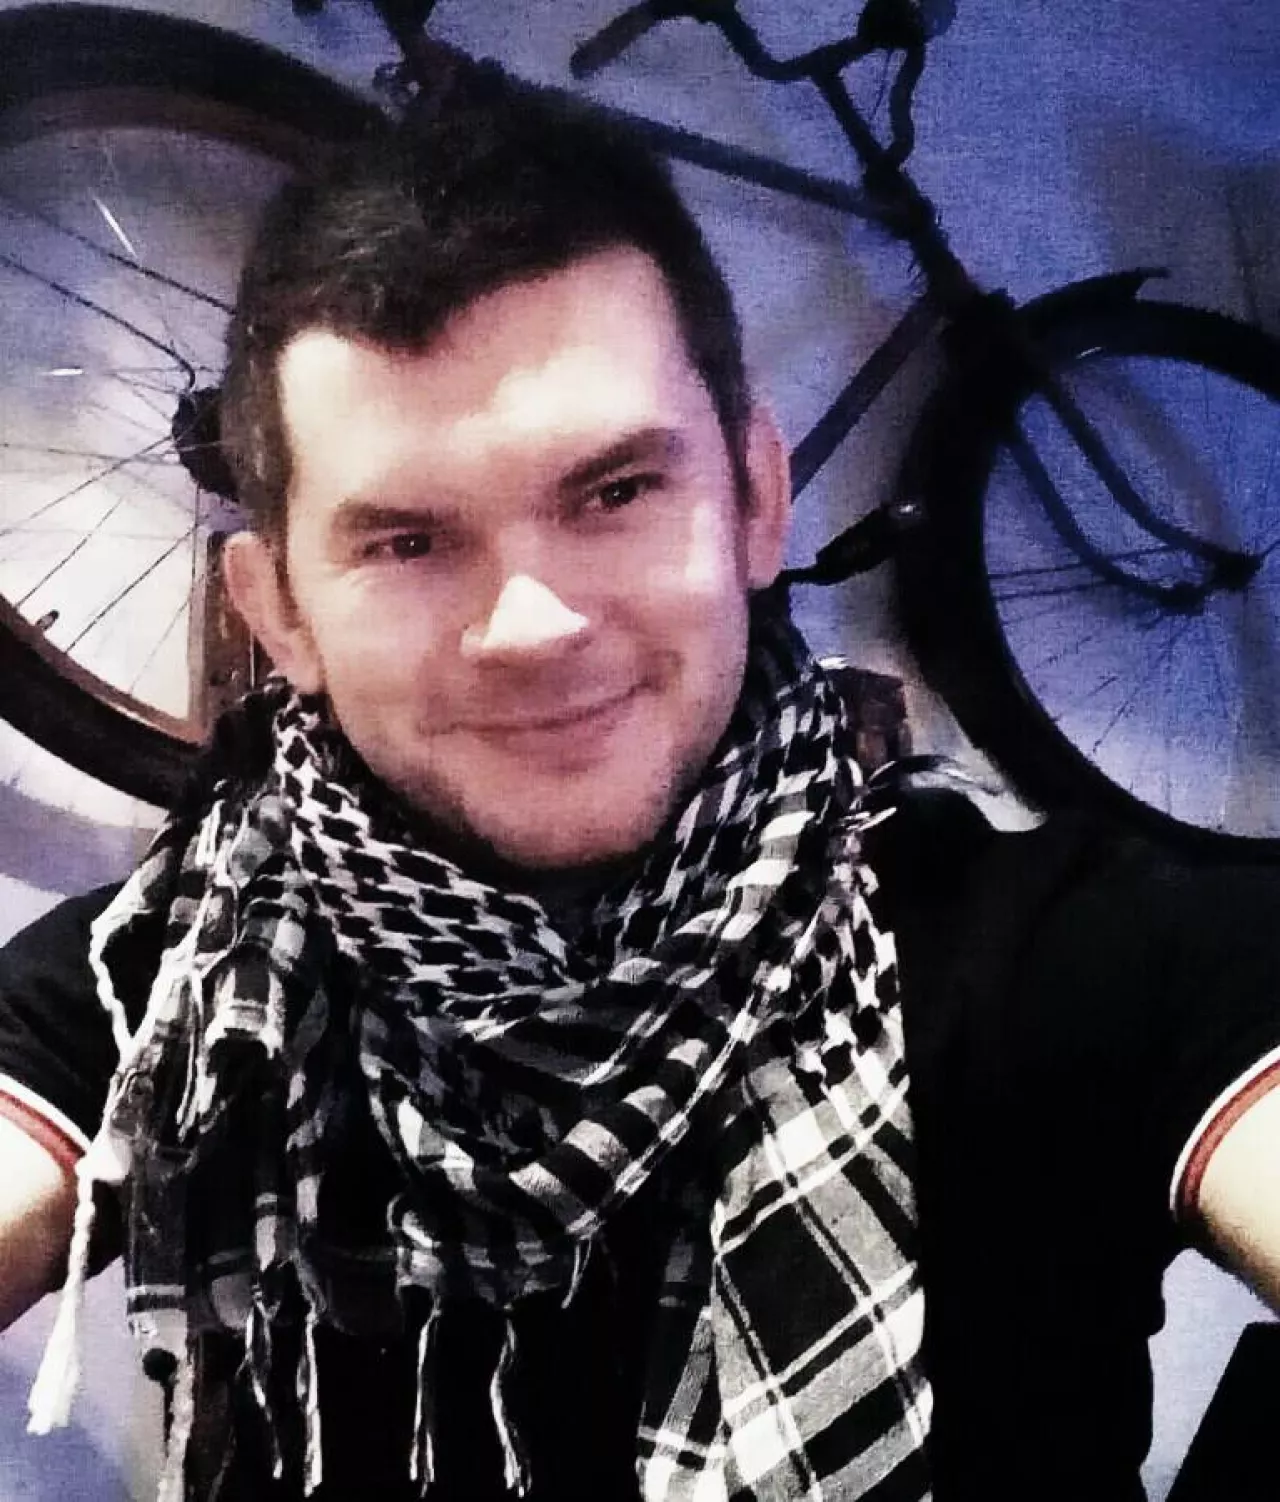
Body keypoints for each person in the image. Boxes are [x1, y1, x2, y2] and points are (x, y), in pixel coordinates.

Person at [1, 79, 1278, 1502]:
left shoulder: (1080, 952)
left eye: (614, 491)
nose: (533, 625)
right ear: (278, 612)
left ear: (757, 498)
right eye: (407, 541)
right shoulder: (162, 998)